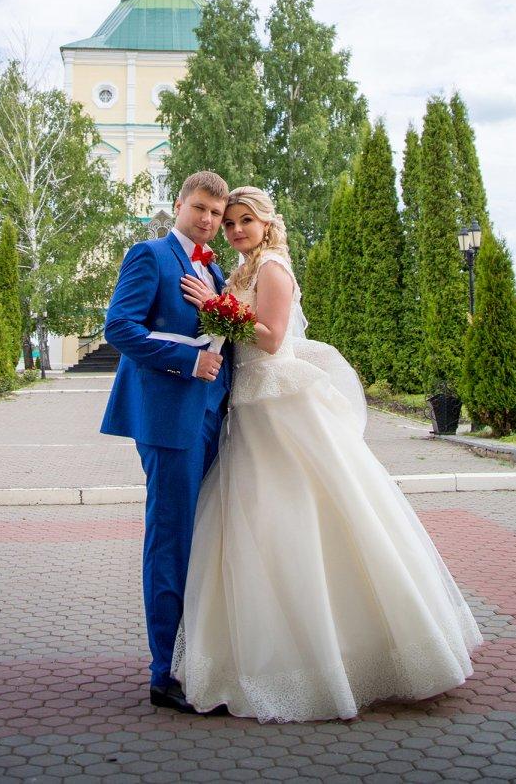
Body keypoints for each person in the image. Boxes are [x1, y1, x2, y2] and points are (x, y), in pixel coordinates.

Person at [172, 186, 485, 722]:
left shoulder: (272, 268)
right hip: (248, 406)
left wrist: (215, 307)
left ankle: (360, 655)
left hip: (280, 404)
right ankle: (259, 656)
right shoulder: (241, 270)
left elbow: (272, 339)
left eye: (246, 221)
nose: (236, 230)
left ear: (267, 224)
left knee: (305, 512)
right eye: (230, 223)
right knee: (258, 521)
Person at [100, 170, 233, 714]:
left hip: (211, 415)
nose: (207, 219)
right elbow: (119, 328)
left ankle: (194, 657)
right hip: (168, 418)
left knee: (202, 538)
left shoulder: (214, 268)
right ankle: (163, 674)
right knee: (170, 538)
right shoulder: (150, 256)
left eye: (216, 214)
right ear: (179, 204)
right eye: (199, 207)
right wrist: (187, 360)